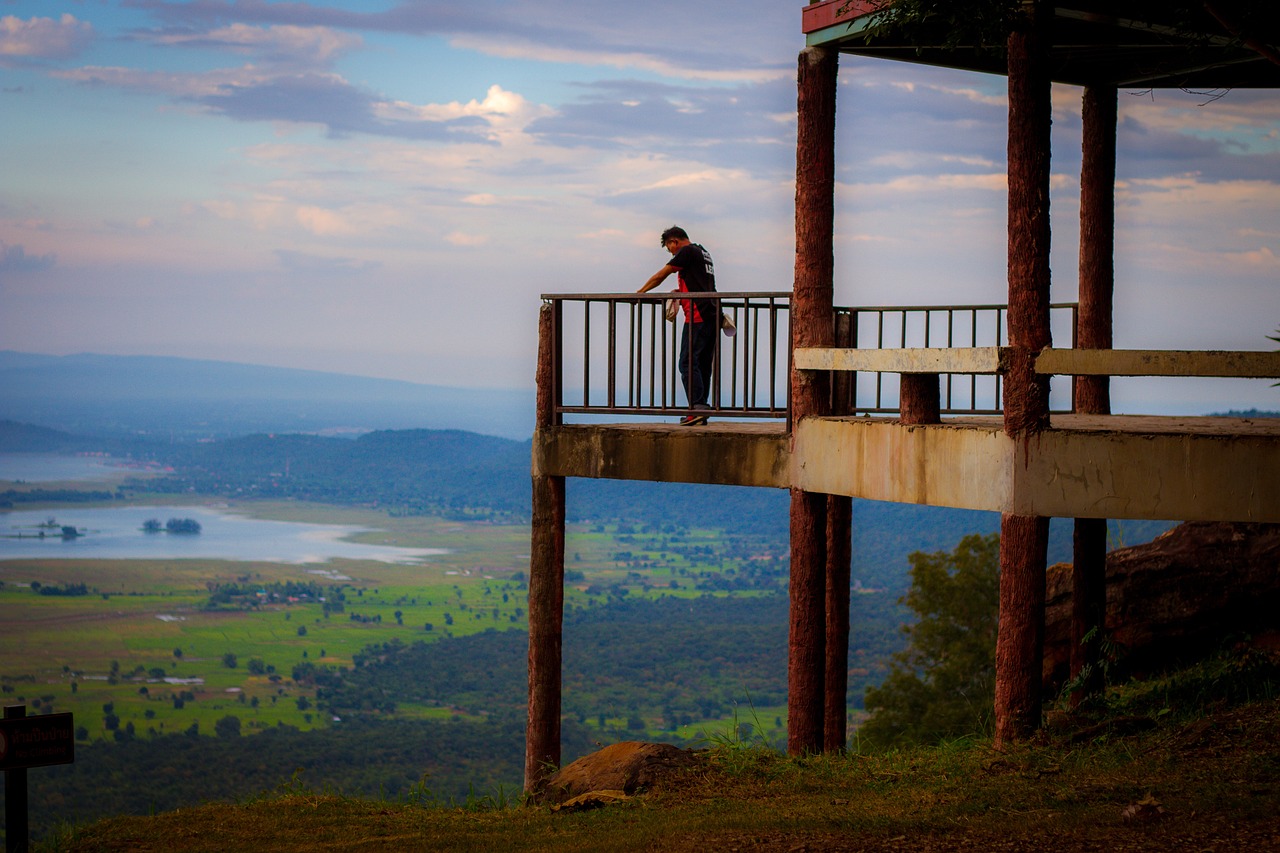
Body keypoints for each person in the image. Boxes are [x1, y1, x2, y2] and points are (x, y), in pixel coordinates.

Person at [638, 225, 717, 425]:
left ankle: (697, 407)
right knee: (702, 363)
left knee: (687, 362)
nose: (670, 252)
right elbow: (699, 282)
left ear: (674, 241)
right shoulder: (703, 252)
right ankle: (700, 409)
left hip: (698, 315)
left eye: (669, 248)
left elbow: (661, 275)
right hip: (712, 313)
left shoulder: (687, 251)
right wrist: (680, 291)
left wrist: (640, 293)